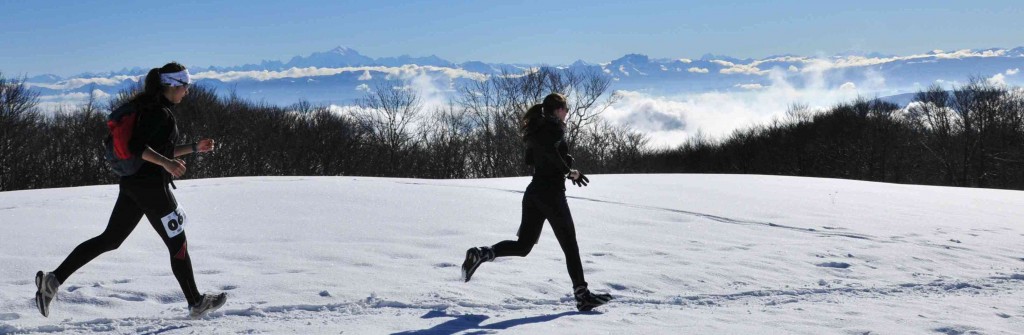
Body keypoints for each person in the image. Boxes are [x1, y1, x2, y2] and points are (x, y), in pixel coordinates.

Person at [34, 62, 226, 319]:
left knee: (111, 239)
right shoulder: (159, 112)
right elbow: (138, 147)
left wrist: (193, 148)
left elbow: (155, 149)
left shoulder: (150, 108)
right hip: (151, 187)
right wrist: (167, 164)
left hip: (133, 185)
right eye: (185, 87)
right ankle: (196, 302)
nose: (187, 92)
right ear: (171, 85)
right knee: (178, 243)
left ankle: (53, 280)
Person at [461, 93, 612, 312]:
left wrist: (563, 161)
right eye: (566, 109)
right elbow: (550, 153)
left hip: (533, 194)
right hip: (551, 194)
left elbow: (531, 159)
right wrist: (569, 171)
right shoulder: (555, 128)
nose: (567, 113)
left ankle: (482, 253)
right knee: (570, 245)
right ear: (557, 109)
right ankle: (583, 296)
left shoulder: (537, 129)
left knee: (523, 246)